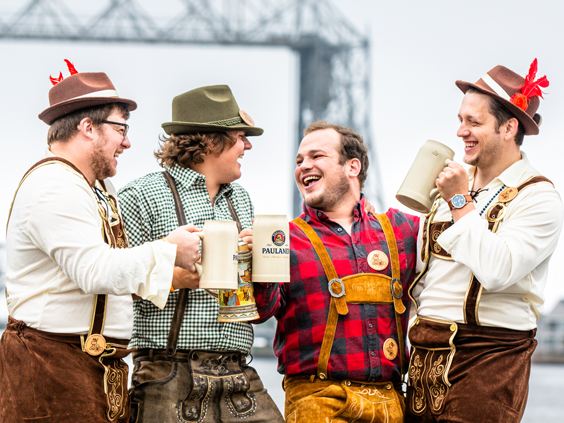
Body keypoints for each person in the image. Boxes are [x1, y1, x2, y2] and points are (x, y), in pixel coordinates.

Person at [0, 63, 202, 423]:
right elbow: (94, 271)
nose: (127, 141)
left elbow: (102, 280)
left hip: (83, 365)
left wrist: (173, 277)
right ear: (88, 127)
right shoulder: (54, 185)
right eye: (121, 129)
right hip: (49, 366)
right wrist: (169, 249)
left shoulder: (95, 187)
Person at [406, 60, 564, 422]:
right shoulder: (448, 185)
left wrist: (460, 201)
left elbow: (498, 270)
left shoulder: (539, 196)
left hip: (489, 357)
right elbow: (421, 271)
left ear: (508, 128)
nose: (461, 131)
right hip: (424, 356)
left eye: (473, 122)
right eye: (460, 119)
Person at [118, 85, 284, 423]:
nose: (248, 145)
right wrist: (178, 277)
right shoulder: (140, 195)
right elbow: (115, 286)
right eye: (240, 137)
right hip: (168, 371)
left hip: (238, 370)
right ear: (210, 141)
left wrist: (261, 265)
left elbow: (256, 306)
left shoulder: (241, 199)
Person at [253, 121, 420, 423]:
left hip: (392, 404)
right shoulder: (280, 239)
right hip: (317, 403)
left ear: (352, 167)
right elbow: (259, 311)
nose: (304, 166)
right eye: (299, 161)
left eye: (316, 156)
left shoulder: (402, 230)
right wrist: (257, 263)